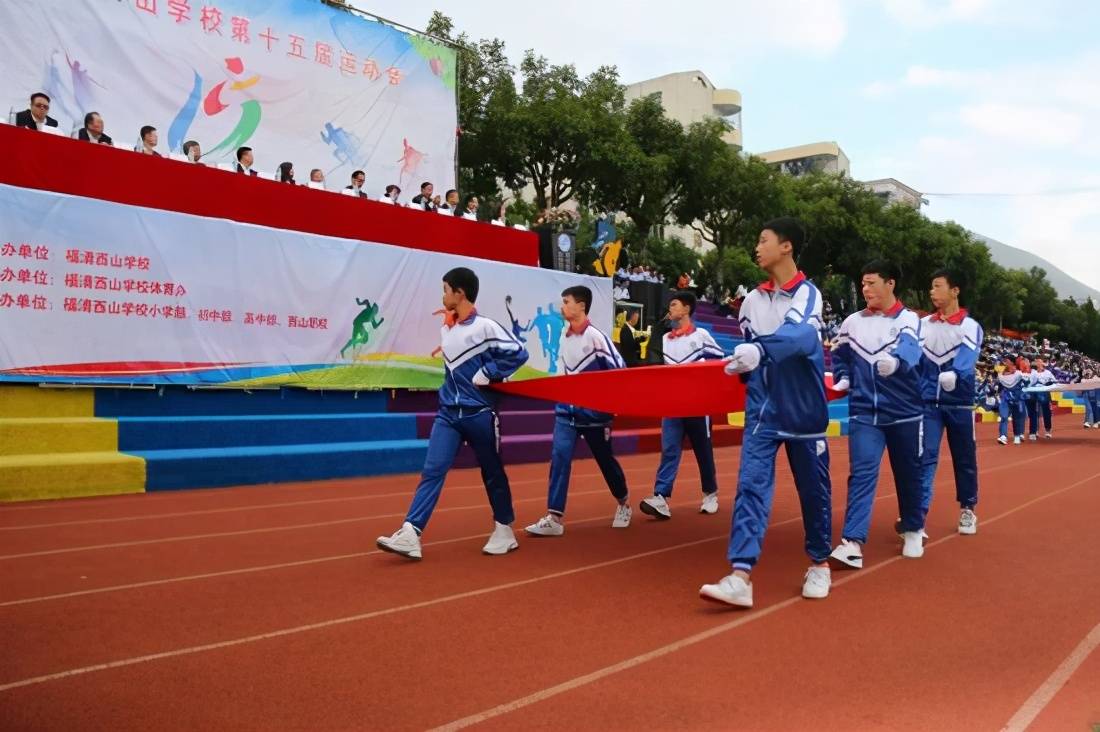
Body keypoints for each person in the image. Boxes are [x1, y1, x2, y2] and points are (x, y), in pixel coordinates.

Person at [700, 217, 833, 608]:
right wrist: (743, 365)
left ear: (786, 246)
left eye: (763, 239)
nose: (756, 248)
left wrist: (759, 350)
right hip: (762, 409)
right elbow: (748, 353)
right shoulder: (752, 303)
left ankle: (820, 564)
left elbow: (800, 335)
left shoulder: (808, 294)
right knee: (751, 487)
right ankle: (740, 575)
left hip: (804, 411)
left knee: (813, 491)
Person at [376, 268, 529, 560]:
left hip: (480, 413)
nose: (442, 295)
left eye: (446, 289)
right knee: (432, 470)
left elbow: (519, 353)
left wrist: (490, 372)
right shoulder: (447, 329)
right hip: (448, 414)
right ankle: (411, 532)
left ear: (460, 293)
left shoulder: (486, 327)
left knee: (492, 473)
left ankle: (504, 529)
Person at [829, 259, 927, 566]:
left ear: (890, 284)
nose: (865, 288)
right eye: (863, 283)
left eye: (871, 283)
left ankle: (912, 528)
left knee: (908, 474)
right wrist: (843, 376)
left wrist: (897, 362)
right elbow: (840, 355)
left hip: (904, 413)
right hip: (864, 413)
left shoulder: (908, 319)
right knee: (861, 474)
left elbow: (910, 348)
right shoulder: (852, 322)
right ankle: (853, 542)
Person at [526, 286, 632, 536]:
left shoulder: (597, 337)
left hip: (594, 414)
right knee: (560, 458)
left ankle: (623, 502)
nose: (562, 306)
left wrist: (609, 402)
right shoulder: (563, 336)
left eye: (566, 302)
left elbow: (620, 369)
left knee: (605, 461)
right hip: (566, 412)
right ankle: (554, 517)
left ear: (581, 306)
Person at [638, 290, 724, 520]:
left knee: (702, 451)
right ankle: (661, 497)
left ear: (686, 309)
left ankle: (710, 494)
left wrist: (705, 386)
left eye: (674, 305)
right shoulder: (665, 339)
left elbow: (721, 362)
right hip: (673, 406)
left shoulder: (702, 335)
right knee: (669, 450)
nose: (670, 309)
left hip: (698, 406)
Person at [917, 269, 983, 537]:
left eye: (937, 286)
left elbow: (967, 357)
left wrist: (955, 373)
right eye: (931, 287)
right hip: (928, 403)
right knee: (925, 457)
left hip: (959, 404)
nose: (932, 292)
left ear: (955, 291)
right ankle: (917, 514)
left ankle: (968, 508)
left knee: (964, 458)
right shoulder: (924, 325)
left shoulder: (970, 326)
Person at [996, 356, 1027, 445]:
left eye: (1007, 361)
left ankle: (1019, 433)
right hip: (1006, 398)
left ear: (1013, 363)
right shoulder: (1000, 374)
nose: (1005, 363)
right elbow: (998, 385)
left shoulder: (1018, 374)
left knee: (1019, 417)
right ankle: (1003, 436)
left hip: (1017, 398)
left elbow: (1027, 382)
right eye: (1005, 361)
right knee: (1004, 416)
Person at [1027, 358, 1055, 439]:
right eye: (1037, 362)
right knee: (1034, 412)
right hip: (1034, 393)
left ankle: (1048, 430)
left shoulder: (1048, 373)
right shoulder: (1033, 373)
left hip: (1044, 393)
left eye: (1040, 361)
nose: (1038, 363)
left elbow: (1054, 381)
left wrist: (1047, 384)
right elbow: (1030, 383)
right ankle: (1035, 430)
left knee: (1046, 412)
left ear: (1043, 363)